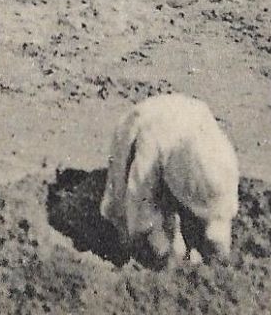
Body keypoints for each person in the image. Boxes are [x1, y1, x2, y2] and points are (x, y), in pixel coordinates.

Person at [100, 93, 239, 268]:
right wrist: (167, 254)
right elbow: (139, 207)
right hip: (143, 121)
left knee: (210, 227)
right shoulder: (150, 148)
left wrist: (218, 251)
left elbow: (221, 213)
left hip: (192, 114)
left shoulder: (223, 161)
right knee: (121, 212)